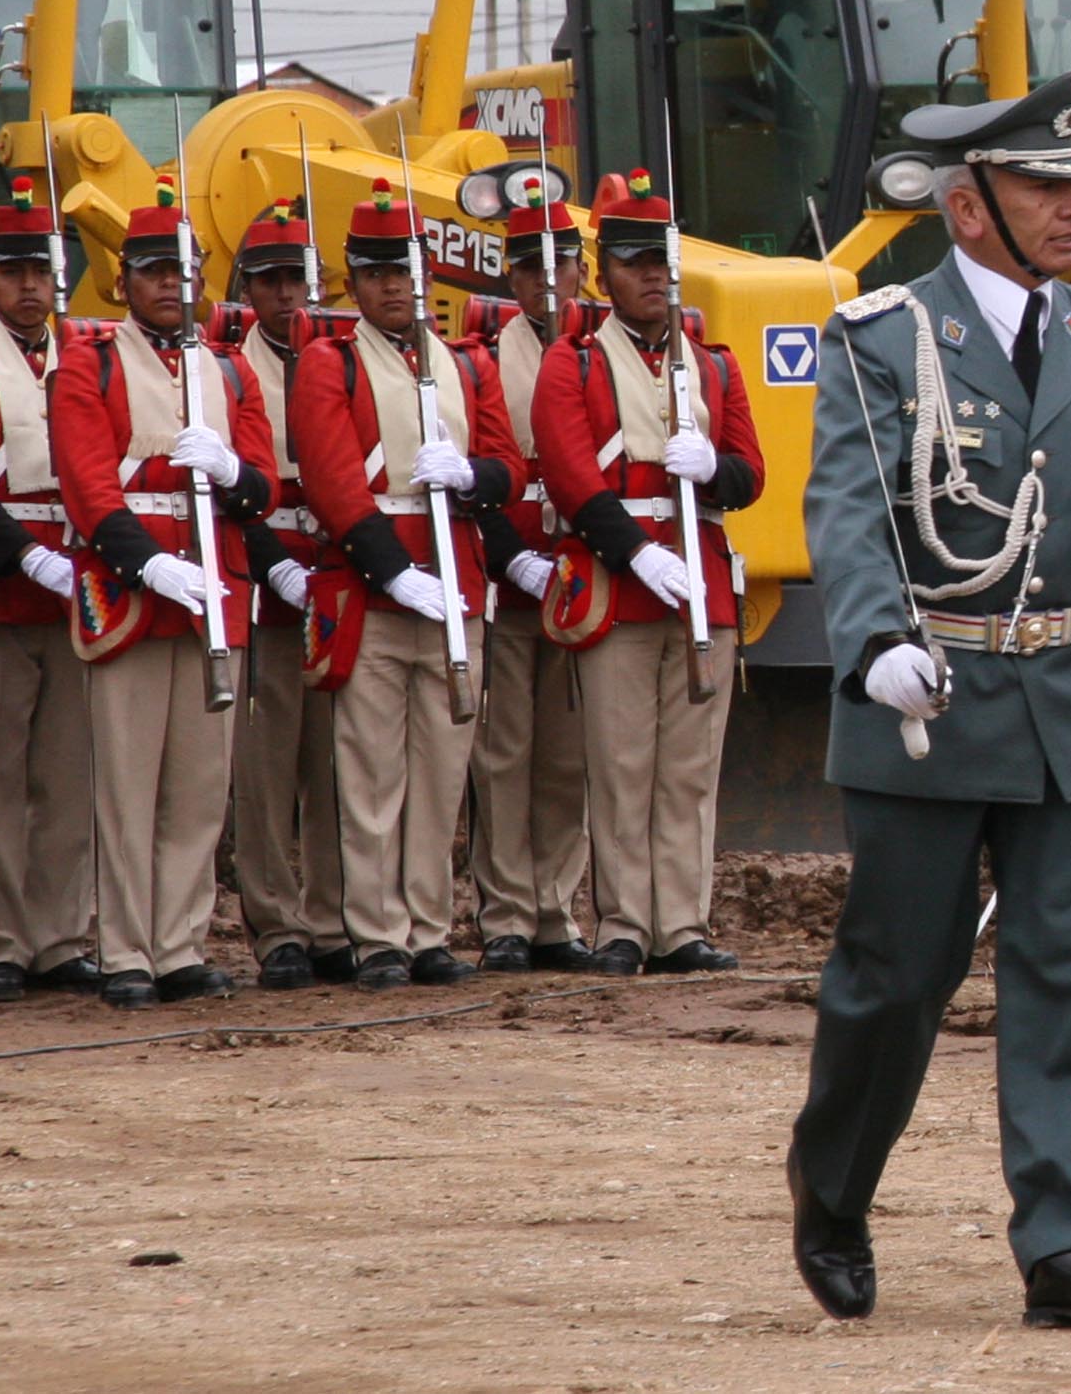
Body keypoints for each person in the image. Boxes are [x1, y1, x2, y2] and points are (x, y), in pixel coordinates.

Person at [788, 73, 1071, 1331]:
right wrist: (874, 643)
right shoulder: (881, 335)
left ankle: (1061, 1243)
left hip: (1070, 701)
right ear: (968, 207)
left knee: (1063, 976)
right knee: (898, 977)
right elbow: (846, 511)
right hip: (932, 697)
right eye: (1041, 188)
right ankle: (834, 1189)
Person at [290, 180, 525, 992]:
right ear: (354, 281)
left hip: (456, 590)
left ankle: (428, 928)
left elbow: (509, 463)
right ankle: (377, 934)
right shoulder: (332, 363)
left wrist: (473, 474)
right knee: (371, 776)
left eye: (406, 270)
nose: (395, 286)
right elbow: (329, 479)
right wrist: (392, 569)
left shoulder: (465, 362)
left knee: (440, 774)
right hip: (375, 594)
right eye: (378, 272)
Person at [51, 175, 279, 1008]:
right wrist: (149, 565)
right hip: (136, 593)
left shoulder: (228, 370)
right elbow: (88, 488)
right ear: (123, 280)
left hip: (214, 590)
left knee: (195, 786)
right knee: (126, 781)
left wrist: (229, 470)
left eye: (181, 270)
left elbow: (263, 488)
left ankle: (180, 942)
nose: (168, 285)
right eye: (151, 270)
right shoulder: (90, 364)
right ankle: (126, 950)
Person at [533, 171, 764, 977]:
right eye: (635, 261)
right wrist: (636, 551)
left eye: (661, 260)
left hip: (701, 580)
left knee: (691, 768)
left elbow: (751, 472)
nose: (653, 276)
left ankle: (683, 923)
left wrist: (714, 467)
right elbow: (571, 476)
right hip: (620, 584)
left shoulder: (714, 367)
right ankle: (625, 921)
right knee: (622, 761)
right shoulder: (574, 364)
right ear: (603, 271)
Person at [0, 178, 101, 1002]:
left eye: (42, 270)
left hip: (80, 586)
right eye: (13, 271)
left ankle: (60, 934)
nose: (31, 286)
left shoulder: (83, 355)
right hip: (4, 584)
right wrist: (21, 557)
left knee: (67, 773)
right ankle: (4, 941)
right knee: (1, 775)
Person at [465, 181, 596, 973]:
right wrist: (509, 553)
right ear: (509, 278)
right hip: (513, 576)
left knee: (569, 755)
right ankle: (507, 911)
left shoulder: (597, 351)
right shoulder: (484, 360)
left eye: (563, 263)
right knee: (504, 750)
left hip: (585, 579)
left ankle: (556, 908)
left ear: (583, 270)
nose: (549, 279)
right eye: (529, 267)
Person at [224, 200, 344, 990]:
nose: (286, 295)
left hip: (334, 576)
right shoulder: (228, 366)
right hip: (270, 574)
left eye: (296, 279)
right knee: (267, 768)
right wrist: (275, 567)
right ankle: (276, 923)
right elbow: (238, 487)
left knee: (336, 762)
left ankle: (335, 917)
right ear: (248, 290)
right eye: (270, 282)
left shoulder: (337, 357)